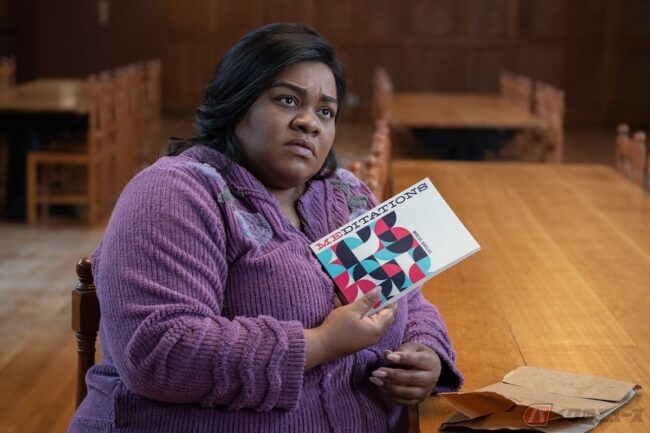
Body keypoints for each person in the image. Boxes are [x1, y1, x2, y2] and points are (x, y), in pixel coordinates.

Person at [68, 23, 462, 433]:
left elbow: (410, 301)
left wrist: (426, 354)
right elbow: (157, 351)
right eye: (287, 100)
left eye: (326, 112)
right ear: (238, 102)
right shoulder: (174, 192)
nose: (309, 123)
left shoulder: (348, 195)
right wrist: (320, 343)